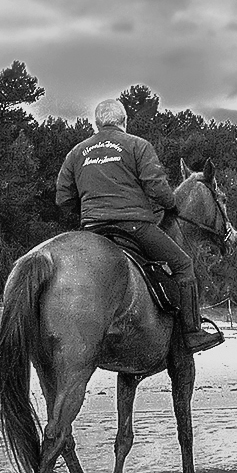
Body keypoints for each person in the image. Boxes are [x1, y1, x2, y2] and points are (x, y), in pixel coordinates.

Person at [55, 98, 224, 352]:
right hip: (134, 227)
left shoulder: (77, 152)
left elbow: (63, 198)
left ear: (96, 123)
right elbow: (158, 189)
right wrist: (170, 205)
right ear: (124, 121)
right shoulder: (137, 145)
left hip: (93, 230)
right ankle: (192, 333)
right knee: (183, 264)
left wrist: (91, 211)